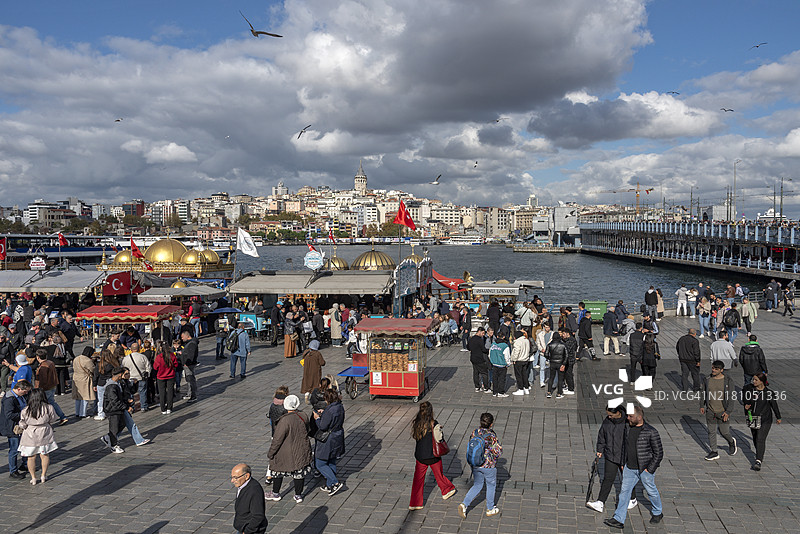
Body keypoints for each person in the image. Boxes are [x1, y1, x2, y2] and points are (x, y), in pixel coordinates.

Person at [603, 407, 664, 529]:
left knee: (651, 491)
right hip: (629, 467)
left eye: (631, 416)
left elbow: (659, 453)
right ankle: (618, 519)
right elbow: (624, 447)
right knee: (624, 493)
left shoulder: (651, 431)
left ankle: (657, 512)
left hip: (644, 469)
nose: (628, 418)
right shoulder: (628, 428)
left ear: (639, 417)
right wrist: (622, 462)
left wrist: (649, 469)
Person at [586, 404, 637, 514]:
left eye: (611, 415)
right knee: (608, 479)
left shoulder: (628, 422)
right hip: (610, 455)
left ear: (618, 412)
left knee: (627, 479)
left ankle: (632, 499)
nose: (609, 417)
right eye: (608, 415)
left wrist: (627, 459)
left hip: (624, 456)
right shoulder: (607, 421)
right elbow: (602, 435)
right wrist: (600, 449)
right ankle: (600, 502)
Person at [408, 401, 456, 510]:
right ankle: (447, 490)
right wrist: (439, 429)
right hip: (433, 456)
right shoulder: (433, 423)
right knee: (439, 474)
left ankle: (415, 503)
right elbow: (439, 438)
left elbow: (415, 437)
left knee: (418, 480)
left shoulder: (417, 423)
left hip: (420, 456)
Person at [265, 395, 313, 503]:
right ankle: (298, 495)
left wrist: (271, 453)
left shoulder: (284, 420)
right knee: (299, 474)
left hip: (285, 451)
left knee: (277, 471)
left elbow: (277, 439)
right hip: (301, 449)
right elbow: (307, 430)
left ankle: (275, 493)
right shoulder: (303, 415)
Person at [458, 412, 502, 518]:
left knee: (477, 484)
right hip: (488, 465)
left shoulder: (475, 432)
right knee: (491, 485)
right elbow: (498, 452)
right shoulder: (491, 436)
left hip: (475, 463)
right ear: (491, 424)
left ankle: (464, 504)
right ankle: (490, 508)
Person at [18, 387, 60, 485]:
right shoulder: (49, 407)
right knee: (44, 455)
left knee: (31, 457)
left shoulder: (26, 410)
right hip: (44, 433)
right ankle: (43, 475)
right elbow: (53, 418)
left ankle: (33, 478)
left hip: (30, 435)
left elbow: (22, 423)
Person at [742, 373, 782, 471]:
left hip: (765, 419)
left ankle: (758, 460)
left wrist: (778, 417)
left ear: (762, 381)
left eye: (756, 380)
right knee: (755, 437)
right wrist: (746, 405)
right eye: (753, 380)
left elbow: (774, 405)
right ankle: (759, 452)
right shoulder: (750, 390)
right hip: (753, 418)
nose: (754, 381)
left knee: (760, 438)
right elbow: (746, 401)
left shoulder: (769, 393)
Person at [700, 361, 737, 461]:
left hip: (722, 411)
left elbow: (731, 397)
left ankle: (731, 442)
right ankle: (714, 451)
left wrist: (728, 412)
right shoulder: (707, 379)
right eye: (713, 368)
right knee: (711, 431)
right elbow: (703, 393)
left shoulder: (728, 380)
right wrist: (702, 405)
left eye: (716, 369)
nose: (713, 370)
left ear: (721, 370)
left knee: (724, 432)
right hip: (710, 410)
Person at [314, 389, 345, 495]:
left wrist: (317, 419)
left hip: (328, 439)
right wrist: (324, 413)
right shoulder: (340, 407)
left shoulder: (329, 410)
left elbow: (323, 426)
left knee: (320, 463)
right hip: (337, 436)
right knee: (331, 460)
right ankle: (329, 484)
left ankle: (335, 482)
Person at [1, 379, 32, 479]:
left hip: (20, 425)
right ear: (19, 389)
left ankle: (25, 464)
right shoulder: (9, 399)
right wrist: (23, 415)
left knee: (24, 445)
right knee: (14, 449)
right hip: (12, 427)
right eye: (25, 391)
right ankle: (13, 471)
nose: (26, 393)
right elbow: (9, 415)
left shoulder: (19, 396)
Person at [231, 463, 268, 534]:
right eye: (232, 477)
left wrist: (247, 531)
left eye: (235, 478)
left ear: (246, 476)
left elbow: (258, 516)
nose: (232, 481)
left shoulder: (254, 490)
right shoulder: (242, 485)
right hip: (243, 527)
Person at [34, 349, 68, 424]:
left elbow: (43, 380)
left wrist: (38, 389)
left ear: (38, 357)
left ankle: (48, 419)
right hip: (52, 386)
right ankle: (62, 416)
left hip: (45, 388)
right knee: (51, 402)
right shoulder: (50, 362)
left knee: (43, 404)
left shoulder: (43, 366)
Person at [101, 367, 128, 454]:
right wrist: (125, 407)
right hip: (112, 410)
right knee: (114, 428)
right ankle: (114, 446)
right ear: (120, 375)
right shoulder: (111, 386)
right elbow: (114, 401)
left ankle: (108, 437)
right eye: (123, 374)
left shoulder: (117, 383)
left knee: (122, 423)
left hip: (117, 409)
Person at [122, 342, 152, 411]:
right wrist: (147, 374)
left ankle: (131, 407)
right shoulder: (142, 357)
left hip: (130, 378)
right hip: (141, 377)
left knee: (130, 393)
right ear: (139, 349)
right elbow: (148, 367)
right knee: (142, 392)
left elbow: (123, 368)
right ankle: (143, 406)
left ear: (131, 349)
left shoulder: (126, 358)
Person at [93, 348, 120, 421]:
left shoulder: (99, 365)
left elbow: (96, 375)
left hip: (101, 383)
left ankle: (101, 414)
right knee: (112, 398)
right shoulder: (113, 364)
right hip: (110, 382)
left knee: (101, 399)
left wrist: (94, 385)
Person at [153, 342, 178, 415]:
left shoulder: (159, 357)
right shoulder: (172, 355)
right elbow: (176, 364)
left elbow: (155, 367)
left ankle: (163, 409)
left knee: (162, 393)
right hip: (170, 376)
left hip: (161, 376)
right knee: (170, 392)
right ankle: (169, 408)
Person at [72, 346, 96, 419]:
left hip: (76, 378)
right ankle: (83, 413)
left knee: (78, 397)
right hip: (84, 378)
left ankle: (77, 412)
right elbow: (92, 369)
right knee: (85, 397)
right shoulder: (87, 360)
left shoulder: (76, 358)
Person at [544, 330, 567, 399]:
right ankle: (559, 393)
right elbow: (566, 355)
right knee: (560, 379)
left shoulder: (550, 345)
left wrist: (550, 358)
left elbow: (546, 354)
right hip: (560, 363)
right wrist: (564, 364)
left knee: (551, 378)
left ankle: (549, 392)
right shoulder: (563, 345)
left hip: (552, 363)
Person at [178, 331, 199, 402]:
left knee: (190, 379)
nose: (182, 338)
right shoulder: (189, 343)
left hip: (189, 364)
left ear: (187, 336)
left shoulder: (192, 344)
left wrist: (187, 363)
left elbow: (191, 355)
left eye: (182, 337)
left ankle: (193, 395)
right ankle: (190, 393)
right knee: (189, 379)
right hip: (188, 364)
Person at [468, 327, 490, 393]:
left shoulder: (471, 339)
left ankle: (477, 387)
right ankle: (486, 388)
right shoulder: (480, 340)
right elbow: (483, 349)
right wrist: (488, 350)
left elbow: (468, 347)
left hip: (473, 358)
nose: (483, 335)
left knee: (476, 373)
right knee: (484, 373)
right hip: (479, 358)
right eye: (482, 333)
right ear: (479, 331)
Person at [510, 330, 531, 395]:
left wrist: (514, 359)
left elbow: (516, 351)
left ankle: (521, 389)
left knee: (518, 375)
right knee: (524, 374)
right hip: (525, 359)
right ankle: (526, 388)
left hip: (519, 360)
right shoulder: (526, 340)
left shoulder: (517, 342)